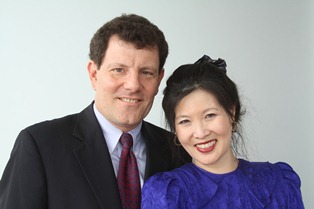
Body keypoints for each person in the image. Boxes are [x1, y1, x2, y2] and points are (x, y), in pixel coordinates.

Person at [0, 14, 190, 209]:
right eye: (118, 69)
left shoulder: (180, 151)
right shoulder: (40, 145)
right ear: (93, 74)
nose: (133, 85)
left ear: (158, 80)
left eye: (146, 72)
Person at [141, 55, 305, 209]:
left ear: (231, 113)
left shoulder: (279, 181)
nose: (200, 132)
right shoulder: (165, 192)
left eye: (210, 115)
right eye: (185, 121)